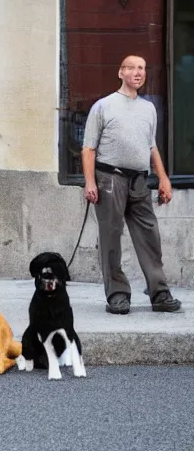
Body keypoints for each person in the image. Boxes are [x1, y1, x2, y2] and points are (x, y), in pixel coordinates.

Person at [81, 55, 181, 314]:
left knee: (150, 236)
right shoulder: (103, 106)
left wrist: (163, 178)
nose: (139, 73)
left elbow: (151, 146)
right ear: (121, 72)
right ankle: (117, 294)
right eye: (133, 68)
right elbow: (88, 148)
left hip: (139, 180)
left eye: (143, 69)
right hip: (109, 179)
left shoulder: (148, 108)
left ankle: (159, 293)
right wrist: (90, 182)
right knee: (111, 238)